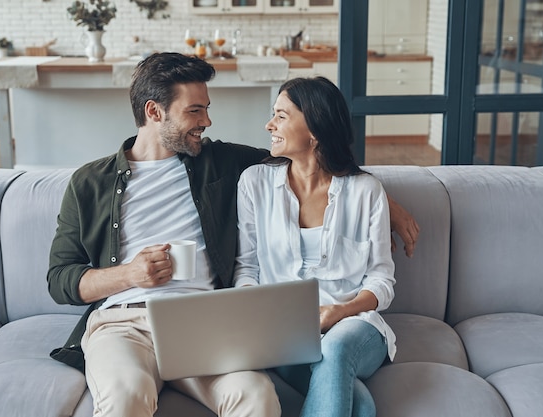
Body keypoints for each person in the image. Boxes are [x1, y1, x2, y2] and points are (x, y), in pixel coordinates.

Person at [47, 53, 416, 416]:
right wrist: (130, 274)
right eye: (194, 111)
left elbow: (315, 162)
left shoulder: (219, 163)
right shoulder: (90, 182)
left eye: (206, 108)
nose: (207, 121)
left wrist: (387, 198)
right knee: (127, 396)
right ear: (154, 112)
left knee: (255, 395)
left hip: (205, 324)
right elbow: (60, 280)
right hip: (122, 324)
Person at [233, 76, 397, 417]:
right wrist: (257, 313)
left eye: (281, 115)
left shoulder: (366, 191)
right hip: (283, 332)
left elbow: (381, 280)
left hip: (355, 325)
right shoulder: (254, 184)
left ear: (315, 129)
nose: (269, 124)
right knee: (362, 408)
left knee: (335, 348)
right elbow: (246, 267)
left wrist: (339, 312)